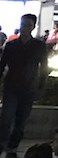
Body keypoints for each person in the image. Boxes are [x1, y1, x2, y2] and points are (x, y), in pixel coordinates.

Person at [0, 14, 48, 158]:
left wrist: (41, 86)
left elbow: (44, 67)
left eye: (28, 25)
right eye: (23, 24)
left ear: (33, 26)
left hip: (29, 88)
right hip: (11, 87)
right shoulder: (11, 45)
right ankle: (1, 144)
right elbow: (2, 65)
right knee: (6, 119)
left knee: (21, 121)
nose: (24, 28)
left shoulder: (39, 46)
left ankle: (12, 147)